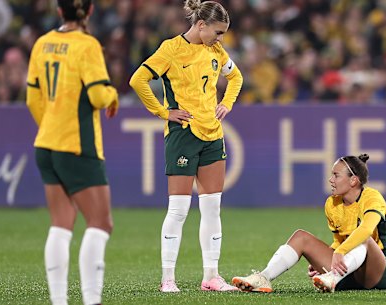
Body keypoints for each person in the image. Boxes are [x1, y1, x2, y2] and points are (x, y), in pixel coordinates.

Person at [129, 0, 243, 293]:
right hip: (183, 134)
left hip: (213, 135)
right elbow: (138, 80)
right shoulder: (171, 49)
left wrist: (227, 103)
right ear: (201, 25)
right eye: (217, 33)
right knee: (178, 210)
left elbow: (236, 77)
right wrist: (163, 112)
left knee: (212, 208)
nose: (221, 39)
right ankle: (168, 278)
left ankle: (212, 276)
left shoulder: (215, 50)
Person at [26, 1, 119, 304]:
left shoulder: (43, 43)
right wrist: (112, 93)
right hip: (77, 145)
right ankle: (92, 300)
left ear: (58, 11)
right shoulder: (87, 45)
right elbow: (96, 94)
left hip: (46, 143)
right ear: (90, 11)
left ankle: (59, 301)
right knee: (100, 223)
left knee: (61, 224)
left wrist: (50, 126)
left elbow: (32, 98)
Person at [232, 154, 386, 293]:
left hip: (381, 273)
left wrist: (340, 252)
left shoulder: (372, 197)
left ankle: (332, 278)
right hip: (349, 271)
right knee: (301, 237)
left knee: (364, 239)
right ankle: (264, 278)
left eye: (336, 175)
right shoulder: (332, 203)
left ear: (353, 181)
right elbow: (338, 241)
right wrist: (324, 259)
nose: (330, 180)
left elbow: (366, 229)